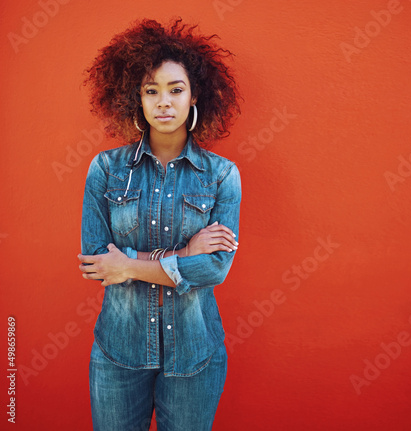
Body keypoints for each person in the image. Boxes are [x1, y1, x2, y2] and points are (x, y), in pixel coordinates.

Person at [77, 18, 242, 431]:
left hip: (194, 357)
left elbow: (215, 269)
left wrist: (130, 266)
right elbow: (97, 262)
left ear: (194, 96)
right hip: (118, 355)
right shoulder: (106, 170)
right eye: (151, 91)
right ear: (136, 98)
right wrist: (183, 254)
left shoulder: (222, 176)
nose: (163, 102)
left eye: (175, 89)